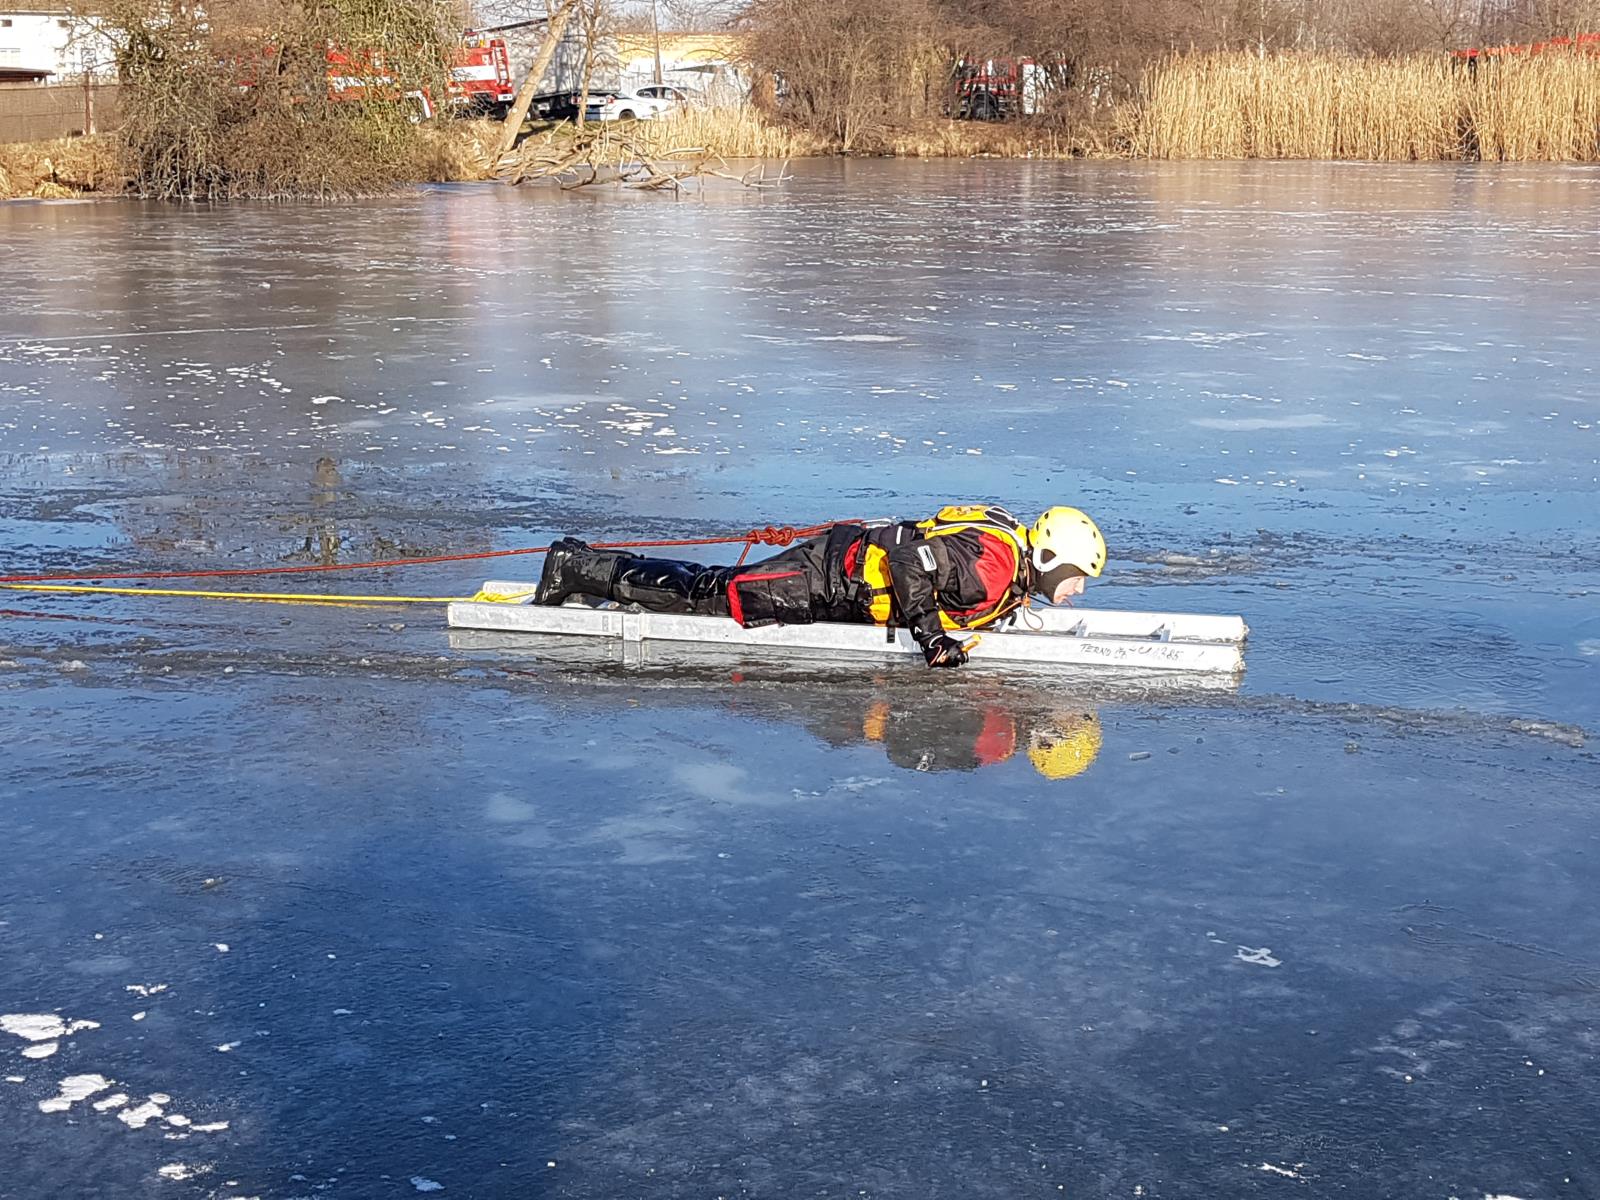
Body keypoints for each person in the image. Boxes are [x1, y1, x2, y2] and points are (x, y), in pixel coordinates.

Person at [534, 504, 1107, 669]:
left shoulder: (1006, 560)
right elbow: (911, 562)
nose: (1079, 589)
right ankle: (576, 568)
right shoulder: (995, 565)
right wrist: (932, 637)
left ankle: (586, 563)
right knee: (709, 593)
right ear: (1052, 558)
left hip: (843, 576)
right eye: (1078, 577)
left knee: (714, 586)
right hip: (824, 578)